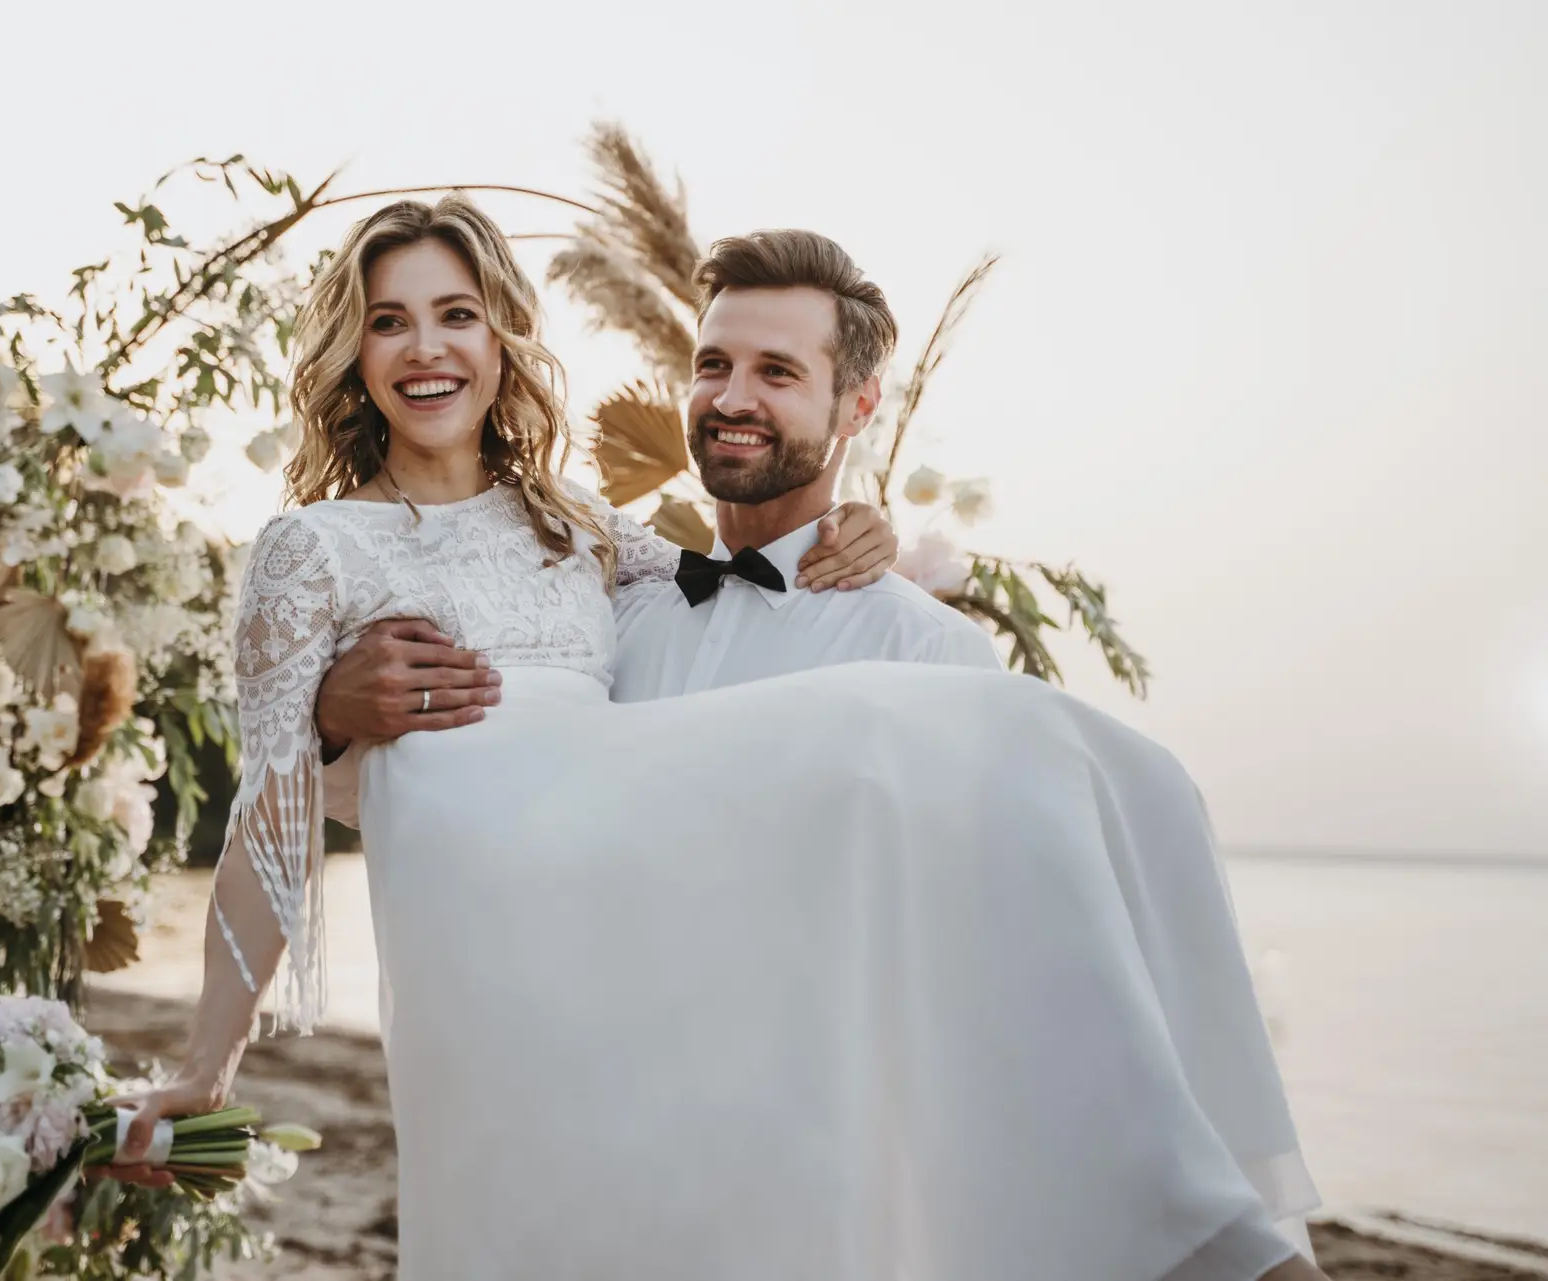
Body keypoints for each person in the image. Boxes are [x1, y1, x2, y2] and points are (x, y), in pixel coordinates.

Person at [118, 196, 1326, 1280]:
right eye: (391, 322)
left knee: (931, 736)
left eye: (458, 315)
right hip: (479, 973)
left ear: (503, 342)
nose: (427, 348)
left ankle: (1198, 1211)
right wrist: (209, 1062)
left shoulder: (578, 533)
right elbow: (271, 816)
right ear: (353, 352)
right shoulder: (306, 553)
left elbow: (742, 574)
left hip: (632, 962)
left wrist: (873, 528)